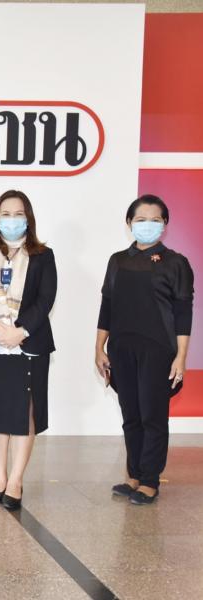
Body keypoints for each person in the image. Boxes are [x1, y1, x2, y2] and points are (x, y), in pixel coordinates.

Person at [95, 195, 194, 505]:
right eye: (140, 219)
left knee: (153, 416)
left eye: (155, 220)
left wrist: (181, 356)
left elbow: (183, 313)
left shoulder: (175, 263)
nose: (147, 225)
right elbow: (107, 306)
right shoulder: (117, 260)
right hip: (121, 348)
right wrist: (99, 347)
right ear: (129, 223)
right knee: (131, 415)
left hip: (158, 350)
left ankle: (150, 480)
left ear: (164, 225)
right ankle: (134, 475)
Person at [0, 190, 57, 511]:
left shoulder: (44, 256)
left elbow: (45, 299)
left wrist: (19, 332)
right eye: (6, 213)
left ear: (28, 219)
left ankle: (16, 480)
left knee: (25, 411)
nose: (12, 219)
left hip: (28, 344)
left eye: (19, 214)